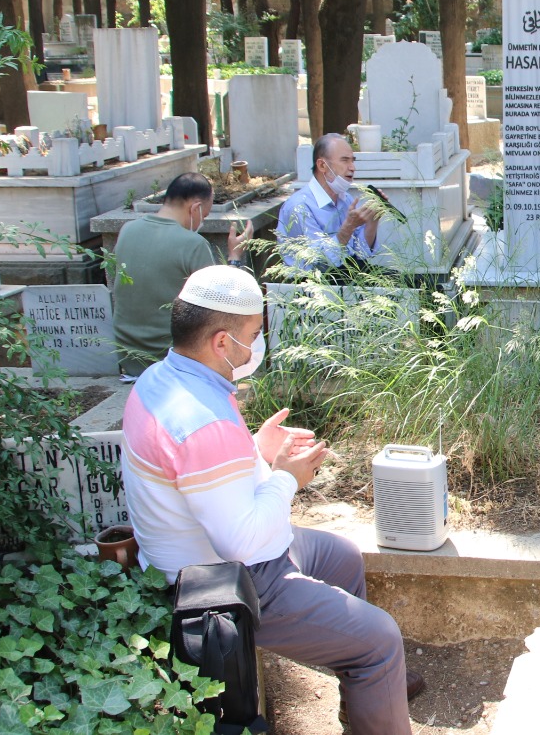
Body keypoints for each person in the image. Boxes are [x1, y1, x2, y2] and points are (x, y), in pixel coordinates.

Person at [121, 266, 423, 735]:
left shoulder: (163, 379)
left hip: (219, 553)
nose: (258, 344)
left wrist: (257, 452)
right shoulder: (201, 420)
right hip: (224, 585)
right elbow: (240, 540)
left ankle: (370, 693)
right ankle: (376, 670)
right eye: (253, 334)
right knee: (380, 637)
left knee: (340, 557)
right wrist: (286, 478)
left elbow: (205, 480)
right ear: (222, 342)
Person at [111, 172, 253, 376]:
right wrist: (234, 257)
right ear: (195, 208)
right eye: (204, 216)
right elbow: (221, 305)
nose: (202, 221)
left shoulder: (127, 231)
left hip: (127, 356)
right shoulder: (193, 244)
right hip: (171, 359)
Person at [278, 133, 382, 274]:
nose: (352, 167)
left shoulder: (345, 199)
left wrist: (373, 219)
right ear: (322, 165)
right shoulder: (299, 207)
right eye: (345, 160)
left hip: (350, 274)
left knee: (417, 281)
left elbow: (361, 254)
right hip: (318, 283)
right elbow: (319, 263)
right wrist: (348, 227)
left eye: (353, 160)